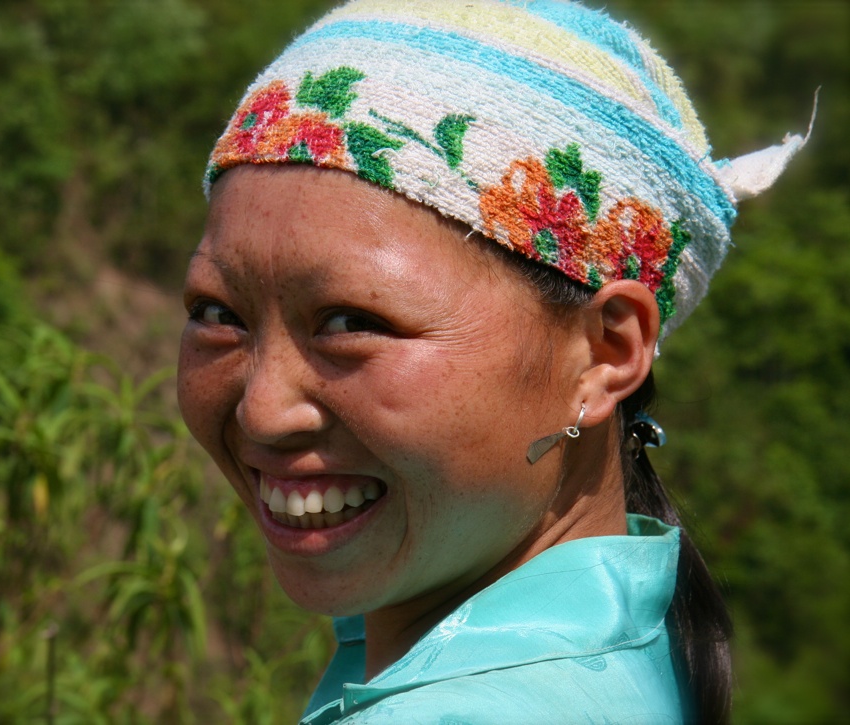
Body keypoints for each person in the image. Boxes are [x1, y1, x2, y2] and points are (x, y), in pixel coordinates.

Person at [176, 1, 807, 722]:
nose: (263, 410)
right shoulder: (624, 659)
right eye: (218, 314)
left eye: (353, 323)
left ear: (604, 353)